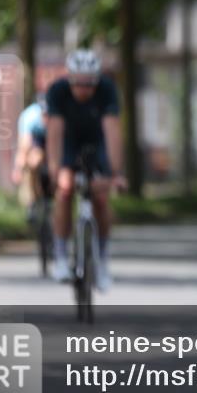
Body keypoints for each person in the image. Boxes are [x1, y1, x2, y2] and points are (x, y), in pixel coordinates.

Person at [45, 49, 127, 290]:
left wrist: (116, 173)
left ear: (96, 81)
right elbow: (54, 132)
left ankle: (102, 261)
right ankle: (60, 256)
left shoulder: (107, 90)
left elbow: (112, 131)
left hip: (97, 139)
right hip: (69, 141)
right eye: (78, 84)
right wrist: (54, 169)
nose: (84, 90)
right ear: (70, 79)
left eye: (89, 84)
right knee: (65, 189)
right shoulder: (57, 91)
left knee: (100, 197)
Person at [12, 95, 50, 218]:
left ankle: (50, 199)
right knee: (33, 162)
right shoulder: (30, 118)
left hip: (54, 136)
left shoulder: (58, 116)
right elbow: (23, 147)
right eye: (44, 114)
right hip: (36, 139)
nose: (46, 118)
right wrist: (18, 169)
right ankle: (32, 202)